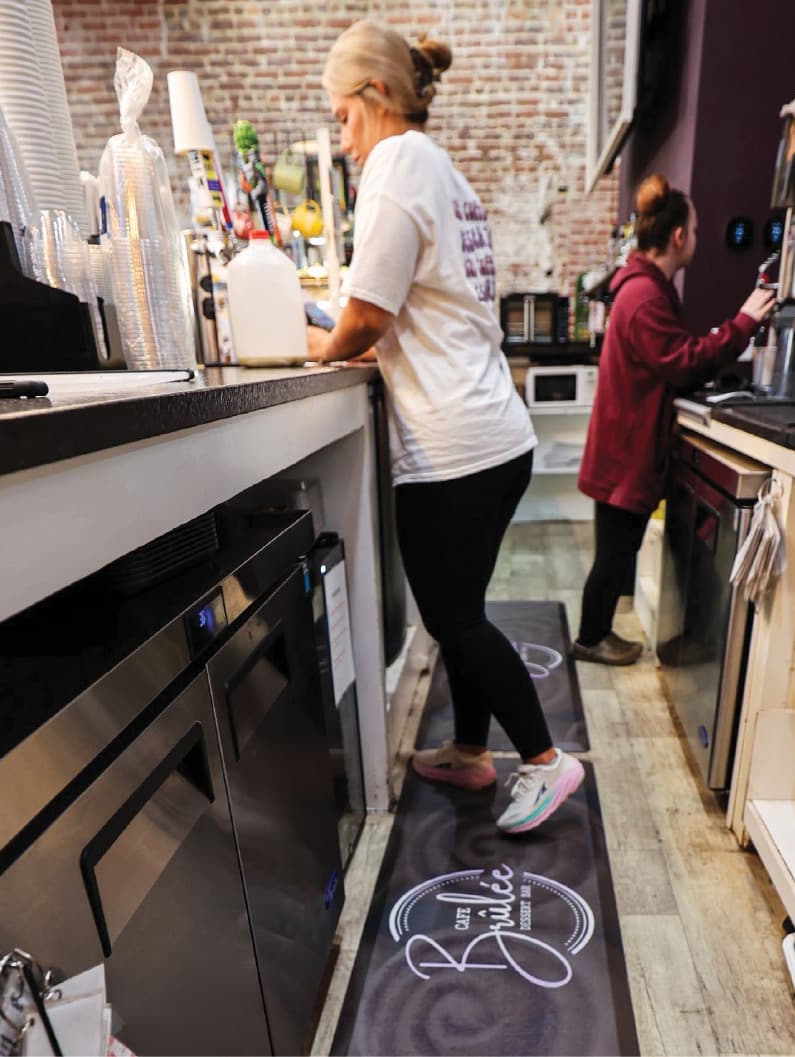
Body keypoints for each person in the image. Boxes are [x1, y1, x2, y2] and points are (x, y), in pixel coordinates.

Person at [308, 20, 584, 833]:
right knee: (463, 607)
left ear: (378, 95)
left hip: (452, 443)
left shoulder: (394, 165)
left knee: (454, 619)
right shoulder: (441, 170)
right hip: (493, 432)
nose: (343, 136)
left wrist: (317, 341)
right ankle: (468, 750)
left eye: (343, 115)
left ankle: (543, 759)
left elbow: (365, 315)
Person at [573, 174, 776, 665]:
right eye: (697, 231)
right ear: (678, 236)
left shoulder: (642, 289)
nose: (699, 240)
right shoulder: (644, 296)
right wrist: (743, 323)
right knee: (614, 555)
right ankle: (590, 640)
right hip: (627, 453)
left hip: (624, 447)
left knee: (615, 552)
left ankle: (596, 635)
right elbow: (681, 361)